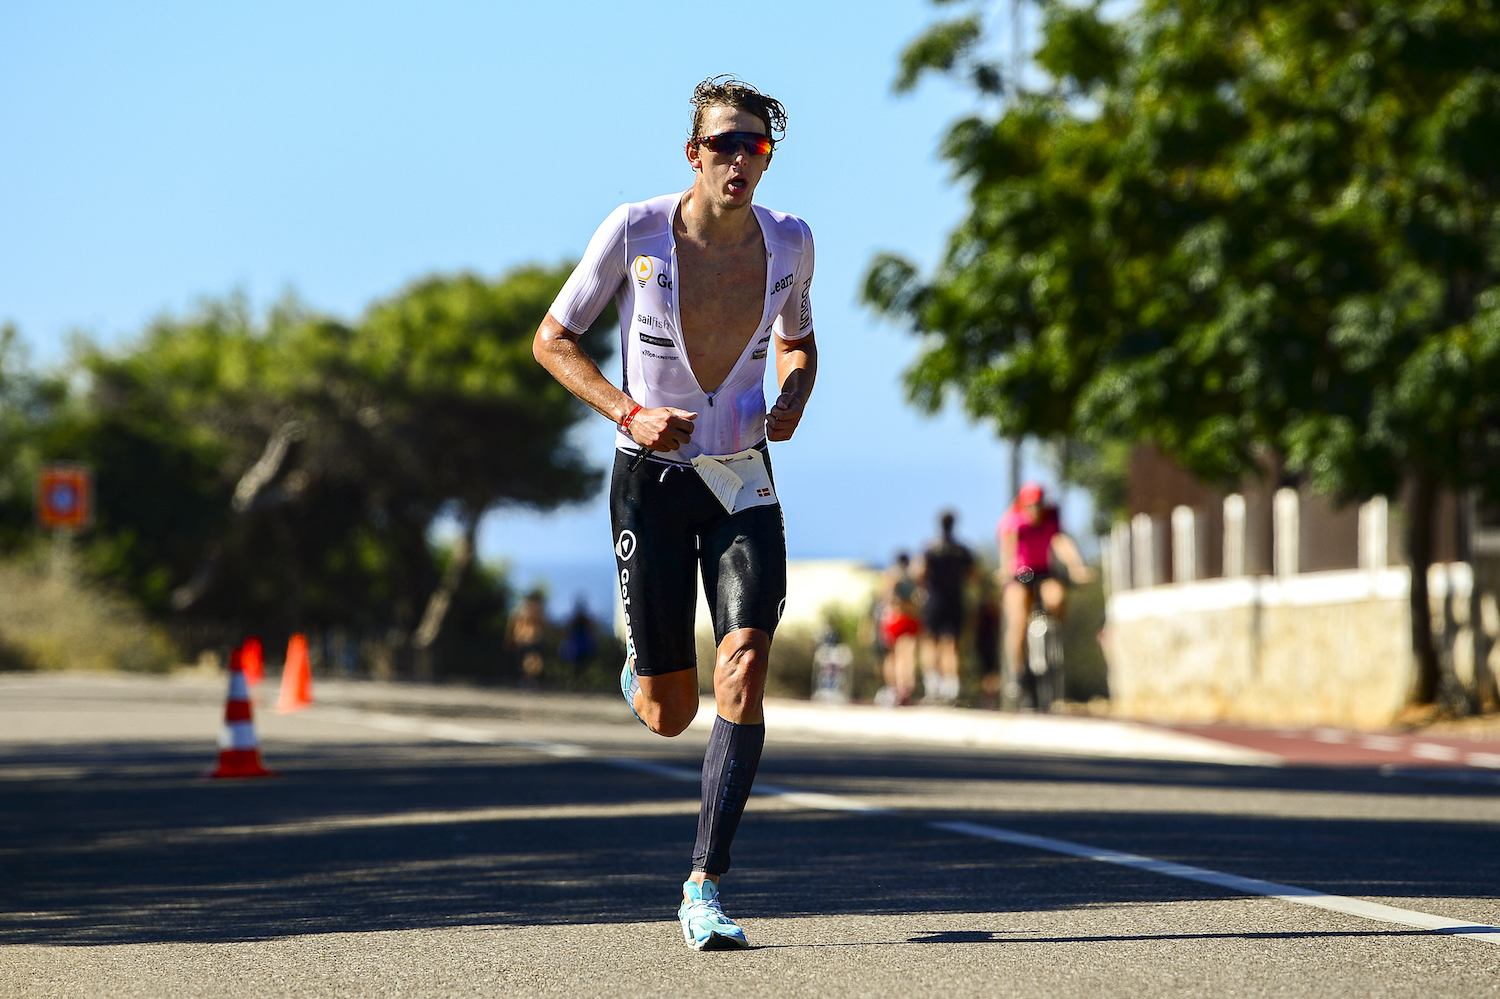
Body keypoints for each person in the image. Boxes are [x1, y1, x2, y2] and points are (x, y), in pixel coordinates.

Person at [531, 76, 816, 951]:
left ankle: (704, 884)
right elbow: (552, 339)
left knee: (745, 662)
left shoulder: (792, 243)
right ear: (692, 155)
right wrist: (629, 412)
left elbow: (798, 340)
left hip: (740, 477)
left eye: (755, 145)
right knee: (668, 712)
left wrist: (795, 391)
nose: (740, 159)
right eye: (724, 144)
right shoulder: (634, 230)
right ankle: (640, 665)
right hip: (649, 474)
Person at [997, 483, 1094, 705]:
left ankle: (1054, 636)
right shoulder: (1015, 519)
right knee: (1018, 618)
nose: (1036, 510)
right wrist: (1005, 569)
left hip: (1043, 571)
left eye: (1039, 505)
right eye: (1031, 506)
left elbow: (1061, 541)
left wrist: (1077, 566)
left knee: (1056, 596)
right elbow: (1008, 544)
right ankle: (1018, 671)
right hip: (1020, 573)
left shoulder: (1052, 517)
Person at [916, 511, 974, 704]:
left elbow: (919, 572)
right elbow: (972, 575)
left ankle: (933, 685)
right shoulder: (961, 549)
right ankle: (952, 687)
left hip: (934, 600)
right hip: (955, 600)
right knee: (952, 644)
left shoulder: (930, 547)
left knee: (931, 642)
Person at [875, 552, 922, 706]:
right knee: (906, 654)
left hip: (895, 617)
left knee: (893, 656)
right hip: (909, 616)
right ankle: (905, 688)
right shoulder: (911, 577)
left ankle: (896, 688)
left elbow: (883, 596)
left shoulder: (890, 575)